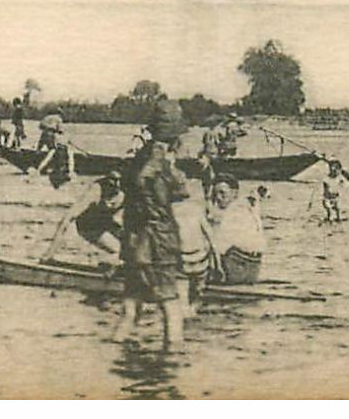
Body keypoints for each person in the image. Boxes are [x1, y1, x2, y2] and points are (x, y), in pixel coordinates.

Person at [113, 99, 190, 350]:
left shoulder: (138, 157)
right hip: (159, 240)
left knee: (130, 306)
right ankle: (172, 363)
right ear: (175, 135)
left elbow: (130, 190)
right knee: (171, 305)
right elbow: (176, 199)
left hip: (134, 238)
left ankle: (117, 358)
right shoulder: (162, 164)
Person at [42, 171, 125, 261]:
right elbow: (67, 219)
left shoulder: (128, 191)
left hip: (108, 223)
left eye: (121, 181)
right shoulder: (94, 192)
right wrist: (50, 251)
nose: (117, 185)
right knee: (120, 251)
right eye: (113, 181)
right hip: (89, 227)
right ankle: (105, 264)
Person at [208, 175, 266, 284]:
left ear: (234, 193)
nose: (218, 198)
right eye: (215, 194)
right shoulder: (245, 206)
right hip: (253, 269)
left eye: (222, 193)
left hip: (237, 269)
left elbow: (219, 246)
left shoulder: (233, 212)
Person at [313, 159, 349, 224]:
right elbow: (318, 187)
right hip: (327, 198)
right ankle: (330, 220)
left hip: (336, 198)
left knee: (338, 210)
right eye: (331, 168)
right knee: (329, 211)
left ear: (339, 170)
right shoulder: (326, 178)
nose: (333, 170)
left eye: (336, 169)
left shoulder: (340, 178)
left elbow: (348, 185)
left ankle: (338, 220)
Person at [35, 116, 73, 190]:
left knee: (52, 153)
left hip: (56, 150)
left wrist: (38, 150)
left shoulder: (47, 126)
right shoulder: (56, 128)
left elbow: (43, 142)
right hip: (59, 151)